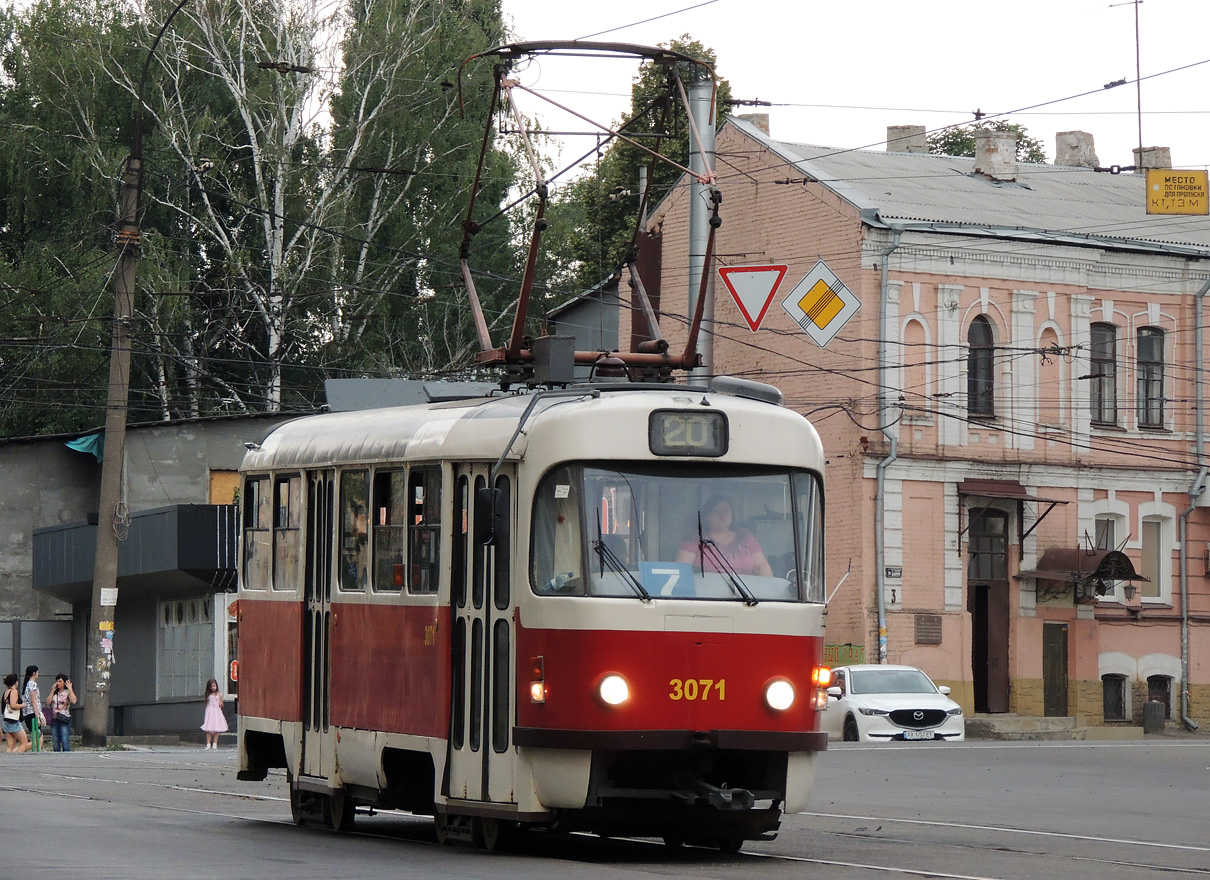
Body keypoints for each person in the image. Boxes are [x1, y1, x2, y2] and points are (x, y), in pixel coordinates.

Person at [676, 495, 773, 577]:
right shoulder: (694, 539)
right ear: (706, 516)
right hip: (707, 596)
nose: (722, 515)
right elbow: (681, 571)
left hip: (746, 596)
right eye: (716, 511)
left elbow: (761, 565)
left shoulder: (745, 536)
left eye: (726, 511)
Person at [45, 673, 77, 752]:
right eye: (57, 681)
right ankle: (56, 754)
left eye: (60, 681)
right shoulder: (55, 693)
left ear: (64, 682)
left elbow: (74, 700)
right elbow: (48, 702)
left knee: (64, 738)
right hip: (55, 717)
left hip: (64, 717)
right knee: (55, 739)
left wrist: (70, 689)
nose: (58, 683)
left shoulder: (67, 692)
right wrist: (52, 691)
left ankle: (66, 754)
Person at [3, 673, 32, 753]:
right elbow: (13, 705)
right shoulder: (14, 691)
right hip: (14, 720)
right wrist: (22, 705)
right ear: (15, 682)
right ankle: (18, 759)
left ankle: (7, 760)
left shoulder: (6, 692)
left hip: (7, 720)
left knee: (10, 745)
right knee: (24, 742)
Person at [20, 665, 45, 749]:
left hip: (28, 714)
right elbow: (33, 700)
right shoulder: (33, 685)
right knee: (37, 739)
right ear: (34, 673)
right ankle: (19, 750)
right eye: (37, 672)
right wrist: (38, 716)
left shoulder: (27, 685)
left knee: (37, 737)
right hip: (33, 713)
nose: (38, 674)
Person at [201, 678, 228, 749]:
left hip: (216, 712)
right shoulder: (208, 695)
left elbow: (221, 704)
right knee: (208, 728)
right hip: (210, 712)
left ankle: (215, 743)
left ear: (216, 686)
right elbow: (207, 703)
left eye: (214, 686)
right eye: (211, 686)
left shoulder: (219, 695)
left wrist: (220, 703)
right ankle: (208, 743)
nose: (213, 688)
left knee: (217, 728)